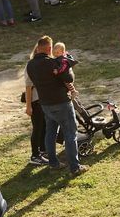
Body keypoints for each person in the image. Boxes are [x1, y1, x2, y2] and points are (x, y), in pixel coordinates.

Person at [25, 34, 83, 173]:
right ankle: (75, 167)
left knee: (50, 133)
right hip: (61, 102)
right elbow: (68, 78)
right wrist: (67, 65)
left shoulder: (30, 65)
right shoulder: (53, 63)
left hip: (45, 104)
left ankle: (53, 163)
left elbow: (31, 84)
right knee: (70, 133)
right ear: (50, 48)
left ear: (38, 48)